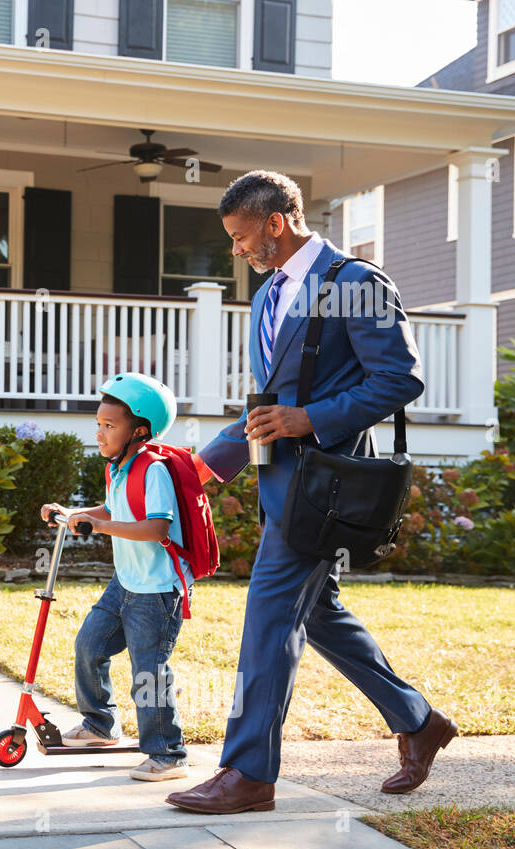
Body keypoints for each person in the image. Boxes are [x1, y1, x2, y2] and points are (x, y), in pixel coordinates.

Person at [166, 169, 456, 815]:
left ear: (277, 222)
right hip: (281, 484)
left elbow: (399, 379)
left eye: (242, 237)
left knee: (268, 619)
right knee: (319, 615)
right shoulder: (270, 295)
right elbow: (273, 400)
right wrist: (208, 465)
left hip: (328, 488)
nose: (236, 250)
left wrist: (313, 418)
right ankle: (419, 721)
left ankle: (248, 773)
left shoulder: (354, 284)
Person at [40, 373, 193, 782]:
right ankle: (99, 726)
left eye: (110, 426)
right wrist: (74, 514)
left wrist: (99, 527)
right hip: (125, 583)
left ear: (139, 431)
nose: (100, 433)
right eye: (99, 424)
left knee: (149, 672)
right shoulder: (119, 467)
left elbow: (156, 528)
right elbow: (110, 511)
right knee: (89, 645)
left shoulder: (153, 470)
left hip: (157, 591)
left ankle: (168, 755)